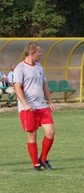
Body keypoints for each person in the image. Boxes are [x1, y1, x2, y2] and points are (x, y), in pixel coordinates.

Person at [13, 41, 56, 171]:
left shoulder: (39, 66)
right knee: (32, 135)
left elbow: (44, 85)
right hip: (28, 108)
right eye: (39, 52)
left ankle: (43, 158)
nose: (41, 54)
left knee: (50, 132)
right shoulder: (20, 68)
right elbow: (17, 88)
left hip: (41, 106)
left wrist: (50, 101)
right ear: (32, 53)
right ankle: (35, 164)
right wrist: (25, 104)